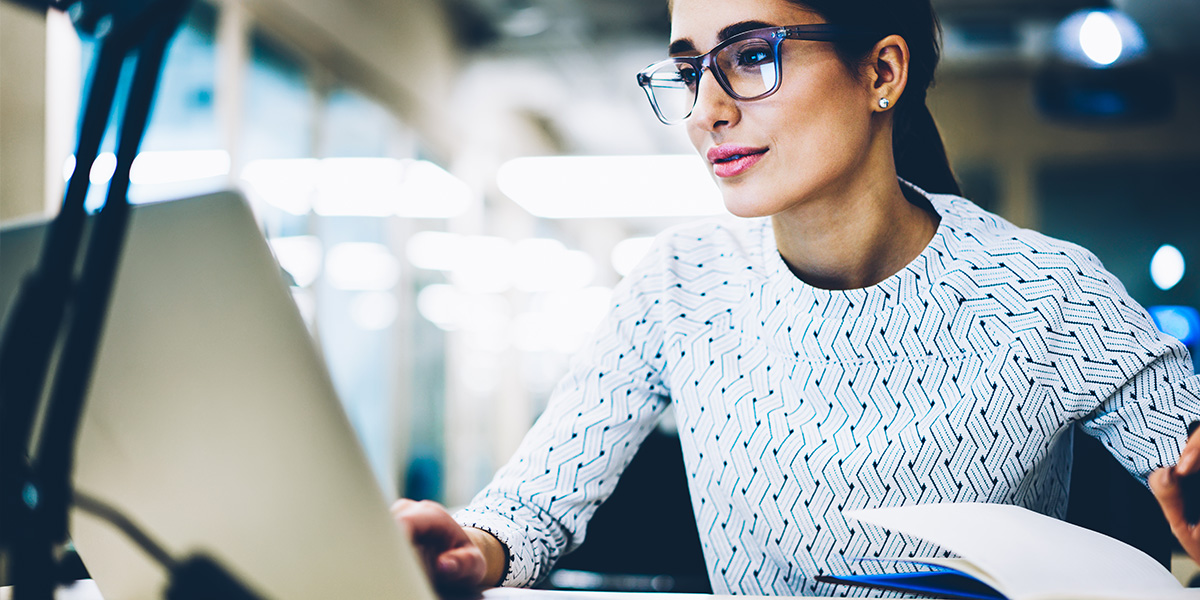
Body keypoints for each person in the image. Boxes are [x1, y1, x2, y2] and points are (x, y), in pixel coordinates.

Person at [392, 0, 1200, 594]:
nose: (707, 110)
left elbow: (1188, 455)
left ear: (881, 73)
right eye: (689, 70)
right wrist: (470, 546)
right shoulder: (678, 286)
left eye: (750, 56)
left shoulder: (1045, 292)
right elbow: (530, 510)